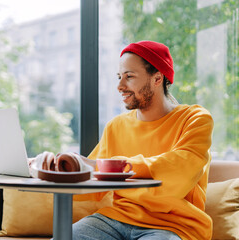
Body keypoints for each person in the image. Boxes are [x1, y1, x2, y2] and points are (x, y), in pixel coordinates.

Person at [69, 41, 214, 240]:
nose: (120, 86)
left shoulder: (195, 119)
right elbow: (93, 183)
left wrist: (112, 167)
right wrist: (61, 168)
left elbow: (179, 171)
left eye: (129, 77)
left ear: (157, 78)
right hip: (114, 219)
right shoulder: (116, 126)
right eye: (120, 77)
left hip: (173, 226)